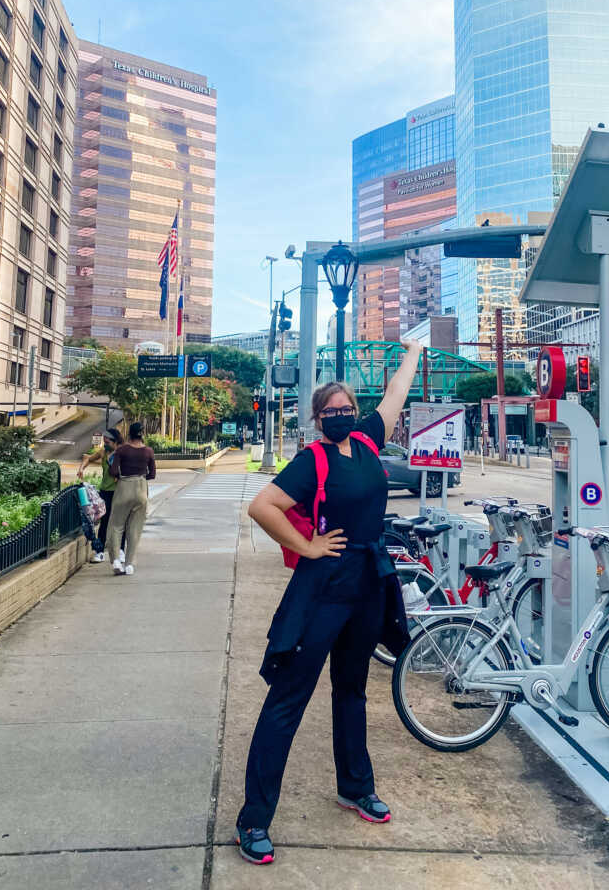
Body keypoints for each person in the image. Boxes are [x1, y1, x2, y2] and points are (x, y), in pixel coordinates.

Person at [234, 340, 422, 866]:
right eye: (330, 412)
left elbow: (396, 396)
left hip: (366, 584)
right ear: (318, 420)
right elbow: (262, 505)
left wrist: (413, 355)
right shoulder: (311, 459)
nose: (341, 417)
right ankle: (253, 820)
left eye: (347, 410)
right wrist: (307, 546)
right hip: (322, 589)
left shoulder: (366, 443)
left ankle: (355, 786)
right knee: (288, 699)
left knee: (353, 690)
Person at [108, 422, 156, 576]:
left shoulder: (122, 450)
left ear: (129, 433)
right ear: (143, 434)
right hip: (141, 488)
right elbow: (152, 474)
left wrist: (118, 475)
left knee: (116, 525)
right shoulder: (148, 451)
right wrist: (141, 477)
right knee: (135, 529)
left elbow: (114, 471)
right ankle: (129, 564)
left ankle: (116, 560)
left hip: (124, 486)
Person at [78, 426, 123, 563]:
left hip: (119, 491)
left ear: (115, 441)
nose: (106, 444)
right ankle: (100, 552)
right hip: (105, 491)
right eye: (104, 442)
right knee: (104, 521)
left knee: (120, 522)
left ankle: (120, 550)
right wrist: (81, 468)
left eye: (108, 442)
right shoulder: (103, 452)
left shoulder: (122, 453)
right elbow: (88, 458)